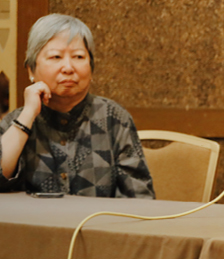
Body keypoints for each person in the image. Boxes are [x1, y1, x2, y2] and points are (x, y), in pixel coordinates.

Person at [0, 14, 153, 197]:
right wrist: (28, 114)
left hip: (97, 225)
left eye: (78, 56)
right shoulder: (15, 122)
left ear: (91, 68)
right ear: (31, 70)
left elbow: (140, 198)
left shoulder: (114, 118)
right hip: (34, 226)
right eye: (56, 57)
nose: (68, 67)